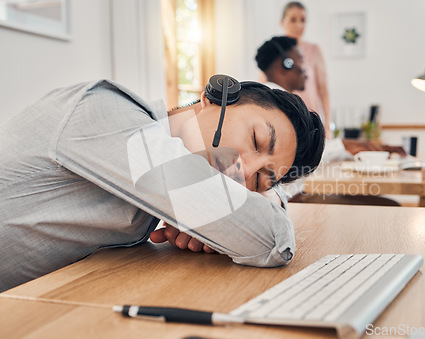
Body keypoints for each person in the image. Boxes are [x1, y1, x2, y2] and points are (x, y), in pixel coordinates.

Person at [0, 76, 325, 292]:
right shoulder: (104, 113)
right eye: (256, 139)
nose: (244, 169)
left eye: (259, 179)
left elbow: (254, 219)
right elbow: (270, 239)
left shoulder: (169, 183)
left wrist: (226, 214)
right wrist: (223, 216)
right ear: (216, 97)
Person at [280, 1, 332, 139]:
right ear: (282, 22)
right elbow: (263, 88)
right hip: (284, 123)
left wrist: (328, 124)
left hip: (311, 122)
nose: (299, 25)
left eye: (303, 20)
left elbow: (323, 91)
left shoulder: (314, 50)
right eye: (293, 20)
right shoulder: (274, 52)